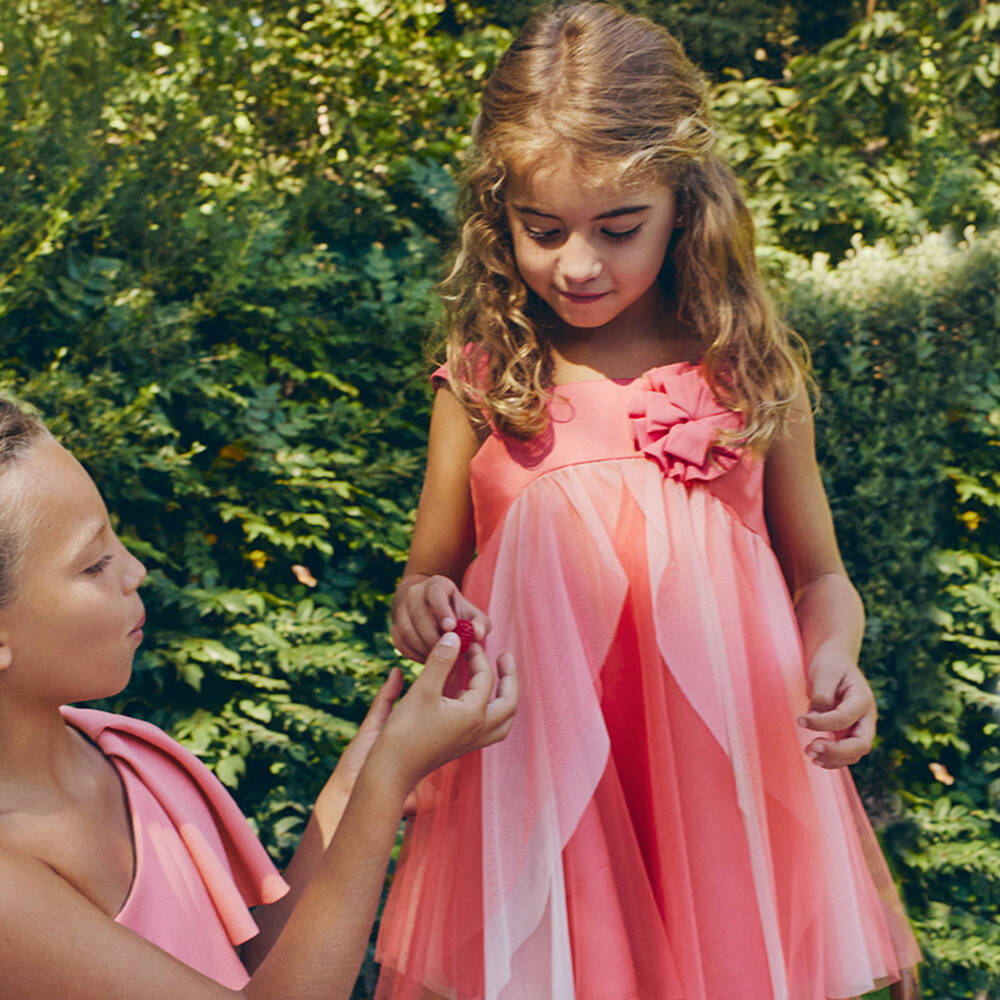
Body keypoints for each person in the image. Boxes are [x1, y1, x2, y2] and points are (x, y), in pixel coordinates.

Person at [376, 4, 921, 999]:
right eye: (541, 231)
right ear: (500, 217)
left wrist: (835, 659)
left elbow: (822, 578)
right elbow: (429, 580)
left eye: (617, 229)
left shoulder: (746, 372)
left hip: (725, 784)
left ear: (684, 203)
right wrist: (422, 607)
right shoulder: (486, 381)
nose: (576, 264)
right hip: (542, 787)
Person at [0, 398, 518, 999]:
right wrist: (386, 780)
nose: (136, 570)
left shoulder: (132, 755)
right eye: (93, 564)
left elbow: (260, 964)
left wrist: (357, 783)